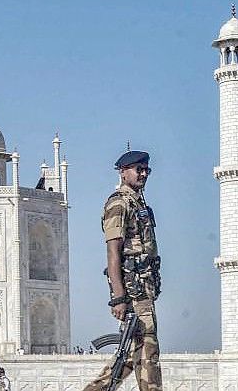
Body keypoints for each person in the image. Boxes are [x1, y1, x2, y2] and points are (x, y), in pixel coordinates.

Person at [83, 150, 162, 391]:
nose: (144, 174)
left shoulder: (139, 203)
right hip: (133, 291)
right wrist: (118, 297)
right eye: (138, 169)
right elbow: (113, 252)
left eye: (146, 169)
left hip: (144, 288)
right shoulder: (119, 203)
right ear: (123, 171)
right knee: (148, 354)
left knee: (131, 356)